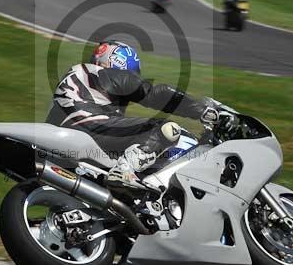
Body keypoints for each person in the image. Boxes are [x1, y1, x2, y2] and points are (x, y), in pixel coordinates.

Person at [46, 41, 229, 189]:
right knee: (166, 129)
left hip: (66, 136)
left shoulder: (81, 74)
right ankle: (124, 170)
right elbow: (157, 94)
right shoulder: (107, 74)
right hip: (91, 127)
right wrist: (203, 110)